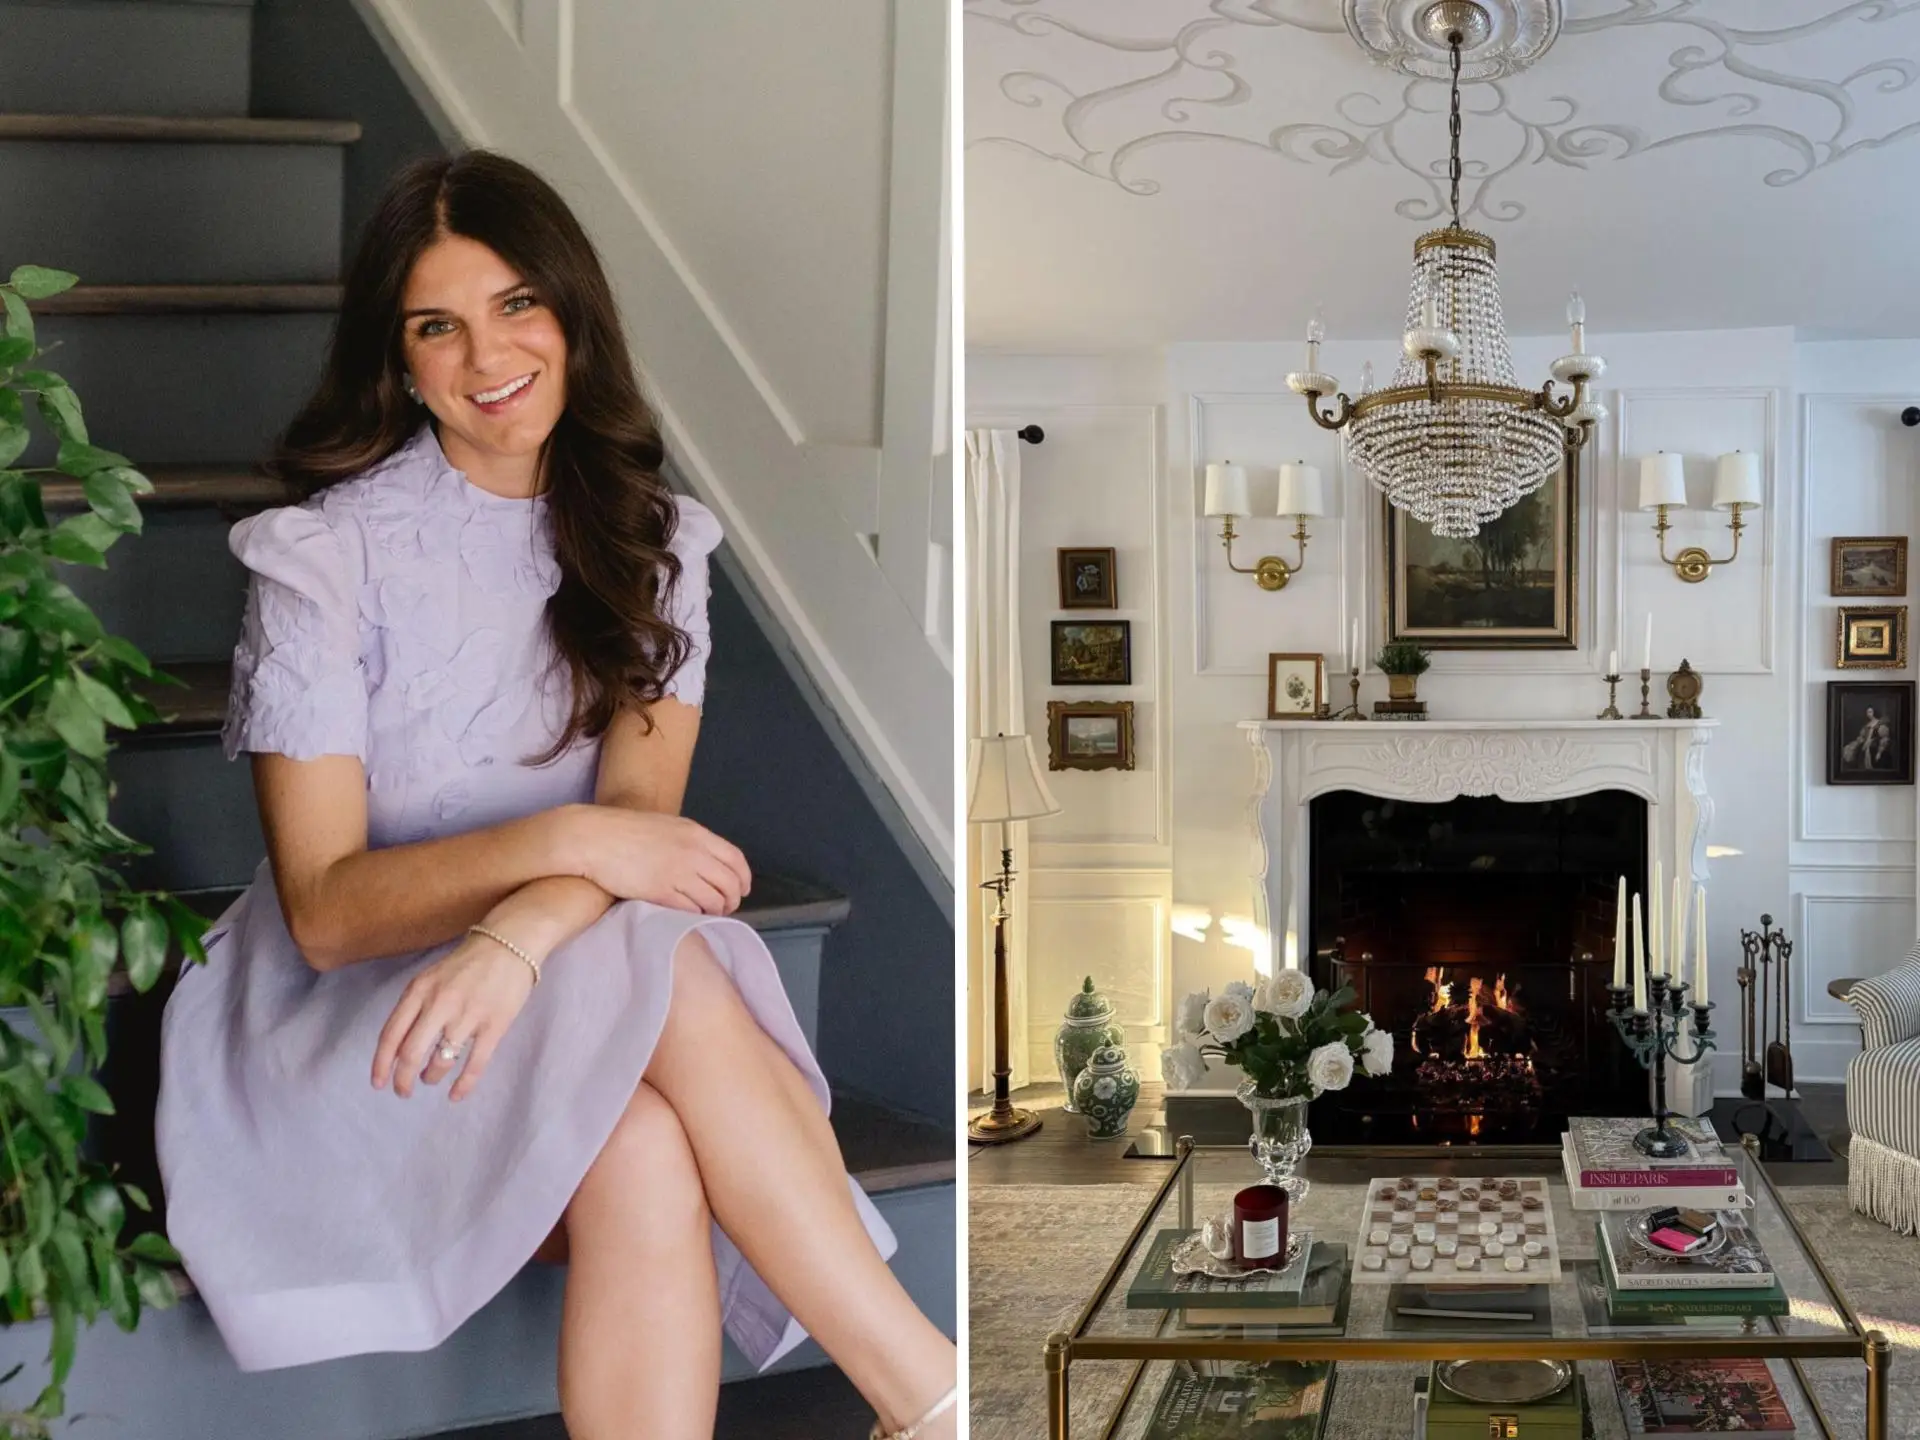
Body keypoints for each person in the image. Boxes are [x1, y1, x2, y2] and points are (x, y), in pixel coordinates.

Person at [153, 151, 956, 1440]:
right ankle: (926, 1396)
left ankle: (926, 1403)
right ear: (397, 358)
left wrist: (517, 938)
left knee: (641, 1136)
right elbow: (326, 914)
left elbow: (638, 862)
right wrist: (573, 838)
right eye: (438, 325)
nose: (487, 358)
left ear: (575, 316)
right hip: (352, 1023)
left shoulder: (652, 543)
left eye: (519, 305)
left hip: (540, 974)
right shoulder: (322, 560)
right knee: (670, 958)